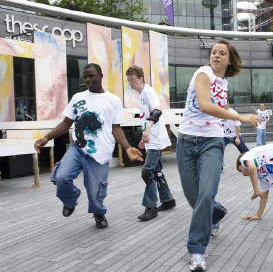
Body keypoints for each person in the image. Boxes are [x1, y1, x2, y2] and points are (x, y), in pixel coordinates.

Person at [176, 40, 259, 272]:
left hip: (212, 142)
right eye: (214, 52)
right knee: (194, 197)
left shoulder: (224, 82)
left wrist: (244, 118)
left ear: (230, 60)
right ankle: (217, 212)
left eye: (222, 53)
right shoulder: (203, 74)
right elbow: (204, 105)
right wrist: (242, 117)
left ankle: (197, 250)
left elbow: (222, 108)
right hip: (186, 140)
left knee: (205, 194)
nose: (216, 55)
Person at [34, 63, 143, 229]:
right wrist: (46, 138)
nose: (87, 79)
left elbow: (116, 128)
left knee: (95, 191)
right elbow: (65, 123)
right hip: (77, 149)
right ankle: (70, 200)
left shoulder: (113, 100)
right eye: (85, 76)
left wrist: (127, 147)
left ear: (100, 75)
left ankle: (99, 213)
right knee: (62, 177)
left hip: (100, 153)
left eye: (91, 75)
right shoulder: (78, 97)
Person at [126, 66, 176, 222]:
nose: (130, 84)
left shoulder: (148, 91)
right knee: (156, 171)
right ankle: (168, 201)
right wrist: (143, 136)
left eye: (132, 80)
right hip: (150, 139)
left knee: (147, 172)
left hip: (155, 139)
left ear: (141, 78)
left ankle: (151, 207)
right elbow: (146, 118)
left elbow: (156, 112)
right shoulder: (141, 95)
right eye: (128, 81)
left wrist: (147, 132)